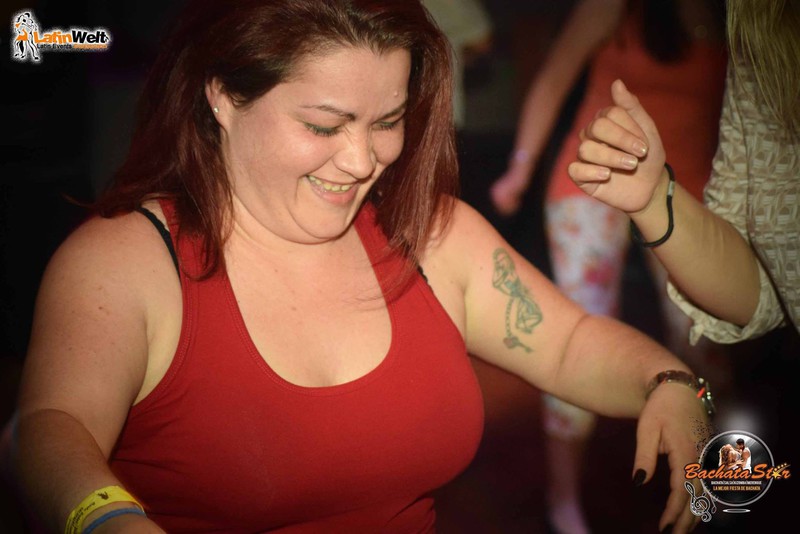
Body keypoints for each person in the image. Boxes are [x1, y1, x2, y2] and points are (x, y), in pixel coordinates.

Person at [12, 1, 711, 533]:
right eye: (323, 125)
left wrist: (669, 381)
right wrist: (109, 519)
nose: (361, 160)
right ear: (222, 95)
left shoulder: (430, 234)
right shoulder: (124, 260)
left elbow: (567, 343)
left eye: (386, 122)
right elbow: (52, 425)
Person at [489, 1, 726, 531]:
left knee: (707, 347)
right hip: (591, 185)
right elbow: (553, 78)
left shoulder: (749, 18)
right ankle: (563, 498)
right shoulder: (617, 6)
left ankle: (710, 486)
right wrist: (520, 170)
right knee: (582, 334)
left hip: (689, 191)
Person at [567, 0, 799, 343]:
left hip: (692, 181)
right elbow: (763, 291)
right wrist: (520, 168)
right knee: (589, 323)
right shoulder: (756, 25)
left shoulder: (726, 20)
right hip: (614, 177)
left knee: (701, 349)